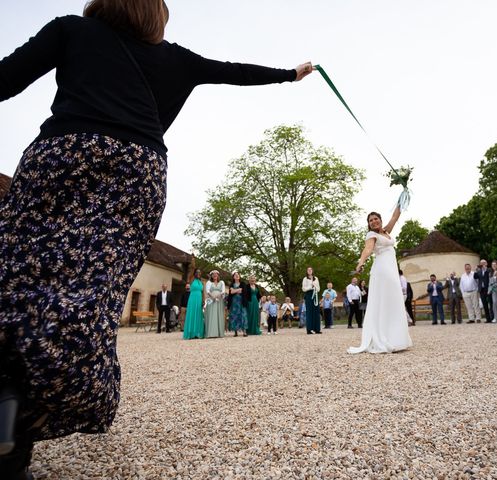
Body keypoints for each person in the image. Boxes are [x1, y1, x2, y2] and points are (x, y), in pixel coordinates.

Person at [0, 1, 313, 475]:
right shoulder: (176, 59)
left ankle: (9, 385)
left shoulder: (71, 31)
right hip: (135, 174)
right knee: (90, 296)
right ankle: (28, 410)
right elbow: (234, 72)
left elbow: (5, 78)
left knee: (17, 272)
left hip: (63, 155)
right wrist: (290, 74)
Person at [348, 207, 412, 354]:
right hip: (382, 269)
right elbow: (368, 249)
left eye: (376, 218)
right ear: (369, 225)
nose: (373, 221)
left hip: (391, 268)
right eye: (370, 220)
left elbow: (395, 217)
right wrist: (360, 263)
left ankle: (396, 337)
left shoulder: (386, 231)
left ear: (380, 220)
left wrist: (402, 197)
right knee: (386, 299)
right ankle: (384, 337)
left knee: (394, 299)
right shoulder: (371, 235)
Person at [183, 269, 205, 340]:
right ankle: (190, 333)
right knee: (192, 314)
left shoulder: (201, 282)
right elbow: (191, 270)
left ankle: (197, 333)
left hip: (199, 299)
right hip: (192, 299)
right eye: (197, 272)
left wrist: (203, 300)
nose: (198, 273)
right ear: (194, 273)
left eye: (199, 272)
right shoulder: (191, 279)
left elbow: (203, 292)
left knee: (199, 315)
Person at [204, 270, 225, 338]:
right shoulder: (209, 282)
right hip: (211, 300)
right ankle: (211, 333)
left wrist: (218, 296)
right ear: (211, 276)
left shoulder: (221, 282)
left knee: (218, 315)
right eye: (213, 274)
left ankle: (219, 332)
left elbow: (223, 291)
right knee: (212, 315)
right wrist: (213, 297)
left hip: (219, 300)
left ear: (218, 275)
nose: (215, 275)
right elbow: (207, 291)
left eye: (216, 274)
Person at [227, 272, 248, 337]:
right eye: (235, 275)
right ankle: (235, 332)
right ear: (233, 277)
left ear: (239, 276)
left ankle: (244, 332)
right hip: (234, 303)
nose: (237, 276)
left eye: (238, 275)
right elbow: (231, 292)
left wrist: (234, 290)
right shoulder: (231, 284)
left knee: (243, 315)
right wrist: (238, 290)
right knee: (234, 316)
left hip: (242, 302)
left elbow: (244, 291)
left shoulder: (243, 283)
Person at [302, 267, 321, 334]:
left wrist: (315, 287)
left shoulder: (316, 278)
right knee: (309, 312)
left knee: (316, 312)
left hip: (315, 295)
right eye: (308, 270)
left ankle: (317, 329)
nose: (309, 271)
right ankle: (309, 329)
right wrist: (310, 286)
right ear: (307, 271)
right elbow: (303, 289)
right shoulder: (305, 279)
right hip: (309, 295)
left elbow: (318, 289)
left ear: (312, 271)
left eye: (311, 270)